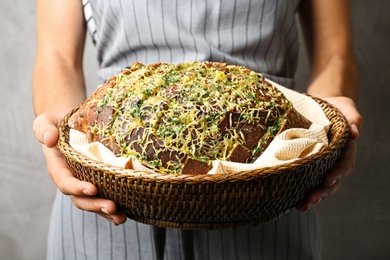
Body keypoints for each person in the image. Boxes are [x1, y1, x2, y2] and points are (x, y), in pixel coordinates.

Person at [32, 0, 363, 259]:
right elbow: (56, 56)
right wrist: (61, 127)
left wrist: (328, 116)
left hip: (270, 187)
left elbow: (335, 55)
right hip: (108, 184)